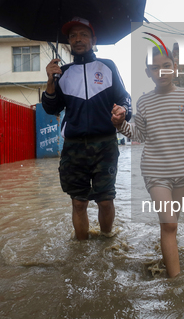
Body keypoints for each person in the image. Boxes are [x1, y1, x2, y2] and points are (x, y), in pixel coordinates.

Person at [111, 47, 184, 278]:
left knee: (172, 223)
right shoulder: (144, 102)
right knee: (170, 225)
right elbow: (139, 135)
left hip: (183, 171)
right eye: (155, 68)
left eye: (166, 65)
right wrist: (120, 124)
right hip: (156, 172)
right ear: (148, 73)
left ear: (175, 67)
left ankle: (166, 250)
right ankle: (176, 283)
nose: (161, 71)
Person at [41, 17, 132, 241]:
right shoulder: (61, 73)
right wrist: (50, 83)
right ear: (69, 41)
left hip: (105, 145)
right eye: (73, 36)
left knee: (105, 200)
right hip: (73, 147)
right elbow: (51, 108)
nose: (78, 39)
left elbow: (125, 100)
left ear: (93, 39)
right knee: (78, 202)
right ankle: (80, 250)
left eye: (83, 35)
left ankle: (107, 242)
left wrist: (123, 111)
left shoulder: (107, 66)